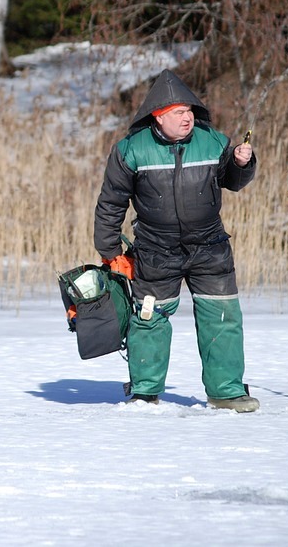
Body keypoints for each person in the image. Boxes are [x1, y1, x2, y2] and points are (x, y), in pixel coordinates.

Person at [94, 70, 260, 413]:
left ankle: (227, 392)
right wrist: (110, 251)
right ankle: (145, 392)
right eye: (178, 113)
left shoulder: (213, 140)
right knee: (149, 318)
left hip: (211, 247)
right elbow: (111, 203)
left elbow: (232, 180)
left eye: (189, 111)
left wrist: (242, 164)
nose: (187, 118)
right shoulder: (130, 150)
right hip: (156, 250)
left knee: (223, 316)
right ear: (158, 116)